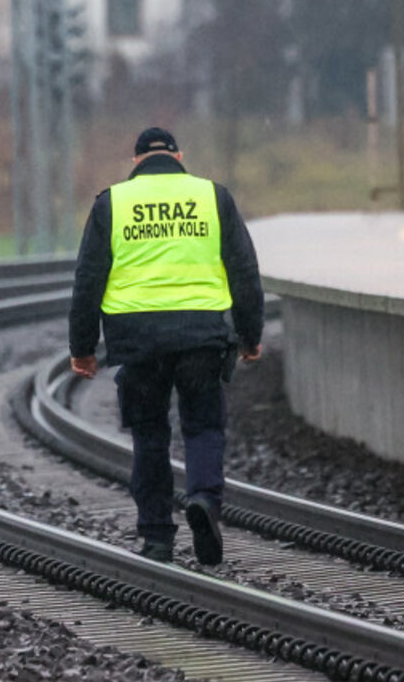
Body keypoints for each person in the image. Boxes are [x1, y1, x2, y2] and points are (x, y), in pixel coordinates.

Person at [68, 126, 263, 567]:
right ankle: (204, 501)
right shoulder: (213, 198)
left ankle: (157, 535)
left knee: (149, 436)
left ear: (136, 161)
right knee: (203, 427)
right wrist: (251, 336)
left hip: (138, 341)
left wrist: (82, 348)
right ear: (179, 156)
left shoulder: (112, 204)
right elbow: (245, 272)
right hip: (201, 336)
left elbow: (87, 280)